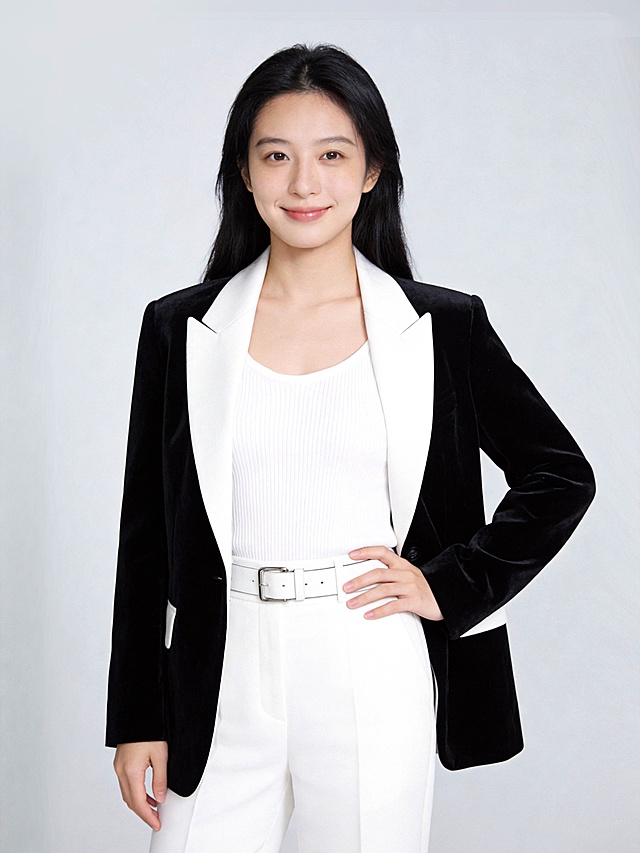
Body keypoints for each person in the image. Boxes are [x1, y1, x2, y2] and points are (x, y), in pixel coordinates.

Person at [105, 42, 596, 853]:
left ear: (372, 170)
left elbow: (560, 474)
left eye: (332, 155)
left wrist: (451, 583)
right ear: (244, 171)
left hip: (368, 660)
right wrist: (135, 716)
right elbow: (145, 535)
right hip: (218, 669)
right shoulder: (180, 328)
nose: (305, 183)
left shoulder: (441, 327)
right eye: (277, 156)